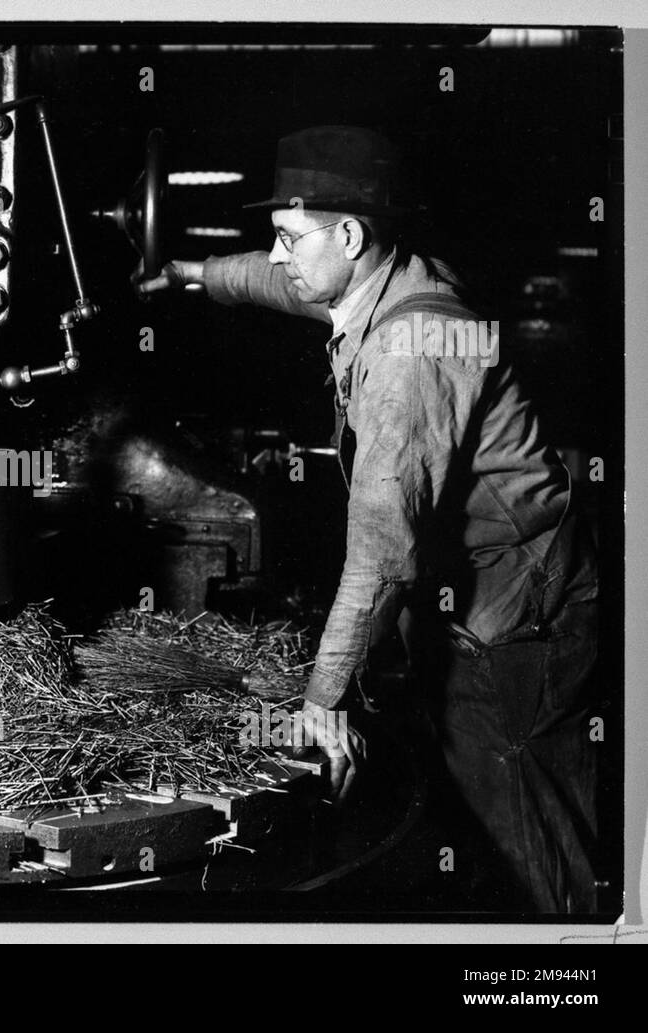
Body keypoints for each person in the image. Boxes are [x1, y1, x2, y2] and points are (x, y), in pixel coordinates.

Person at [135, 125, 600, 912]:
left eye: (286, 236)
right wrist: (188, 272)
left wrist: (325, 695)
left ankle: (572, 963)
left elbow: (383, 550)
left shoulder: (408, 352)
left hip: (518, 622)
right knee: (497, 811)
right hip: (496, 598)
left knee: (531, 833)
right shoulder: (380, 277)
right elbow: (282, 282)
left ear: (348, 234)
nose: (276, 253)